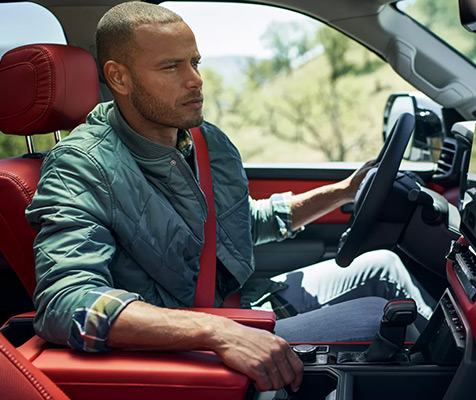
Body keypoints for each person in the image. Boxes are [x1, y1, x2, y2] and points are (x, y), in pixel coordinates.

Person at [25, 1, 432, 392]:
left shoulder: (203, 143)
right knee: (382, 320)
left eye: (195, 62)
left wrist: (343, 192)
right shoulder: (79, 166)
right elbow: (67, 301)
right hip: (189, 343)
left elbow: (235, 225)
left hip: (240, 305)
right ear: (119, 78)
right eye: (171, 67)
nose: (195, 80)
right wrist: (217, 331)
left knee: (382, 266)